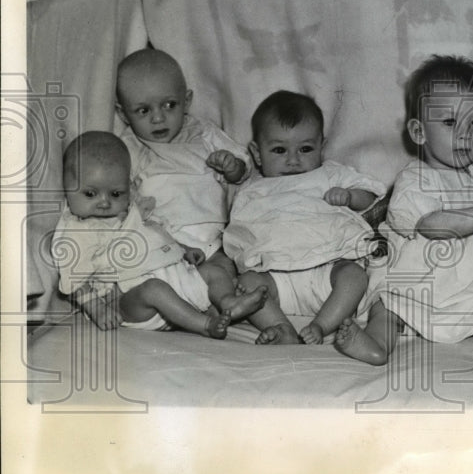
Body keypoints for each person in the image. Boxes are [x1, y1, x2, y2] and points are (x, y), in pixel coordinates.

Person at [333, 56, 473, 367]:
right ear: (419, 132)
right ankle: (375, 343)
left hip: (465, 293)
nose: (466, 134)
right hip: (411, 287)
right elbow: (433, 225)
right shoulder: (415, 179)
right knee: (386, 309)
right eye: (451, 122)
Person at [115, 48, 267, 324]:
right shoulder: (130, 147)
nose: (158, 118)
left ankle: (226, 303)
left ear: (187, 101)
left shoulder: (203, 133)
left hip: (213, 237)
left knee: (224, 269)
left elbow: (242, 165)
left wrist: (234, 167)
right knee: (154, 274)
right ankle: (190, 310)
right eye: (143, 110)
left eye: (169, 105)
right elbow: (120, 191)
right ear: (123, 114)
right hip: (167, 238)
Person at [224, 90, 385, 345]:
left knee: (354, 276)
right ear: (257, 153)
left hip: (327, 270)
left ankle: (321, 326)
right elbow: (238, 235)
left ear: (322, 145)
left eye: (306, 149)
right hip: (276, 277)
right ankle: (282, 328)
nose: (293, 160)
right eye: (279, 150)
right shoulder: (252, 191)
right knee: (247, 283)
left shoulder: (330, 174)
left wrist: (350, 196)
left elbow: (372, 198)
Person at [53, 131, 232, 339]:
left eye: (115, 193)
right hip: (129, 300)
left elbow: (157, 232)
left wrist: (184, 249)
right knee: (154, 290)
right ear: (66, 189)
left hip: (178, 283)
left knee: (215, 271)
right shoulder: (78, 232)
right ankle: (206, 324)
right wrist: (97, 309)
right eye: (90, 194)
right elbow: (75, 279)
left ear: (128, 186)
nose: (104, 202)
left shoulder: (132, 210)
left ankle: (227, 304)